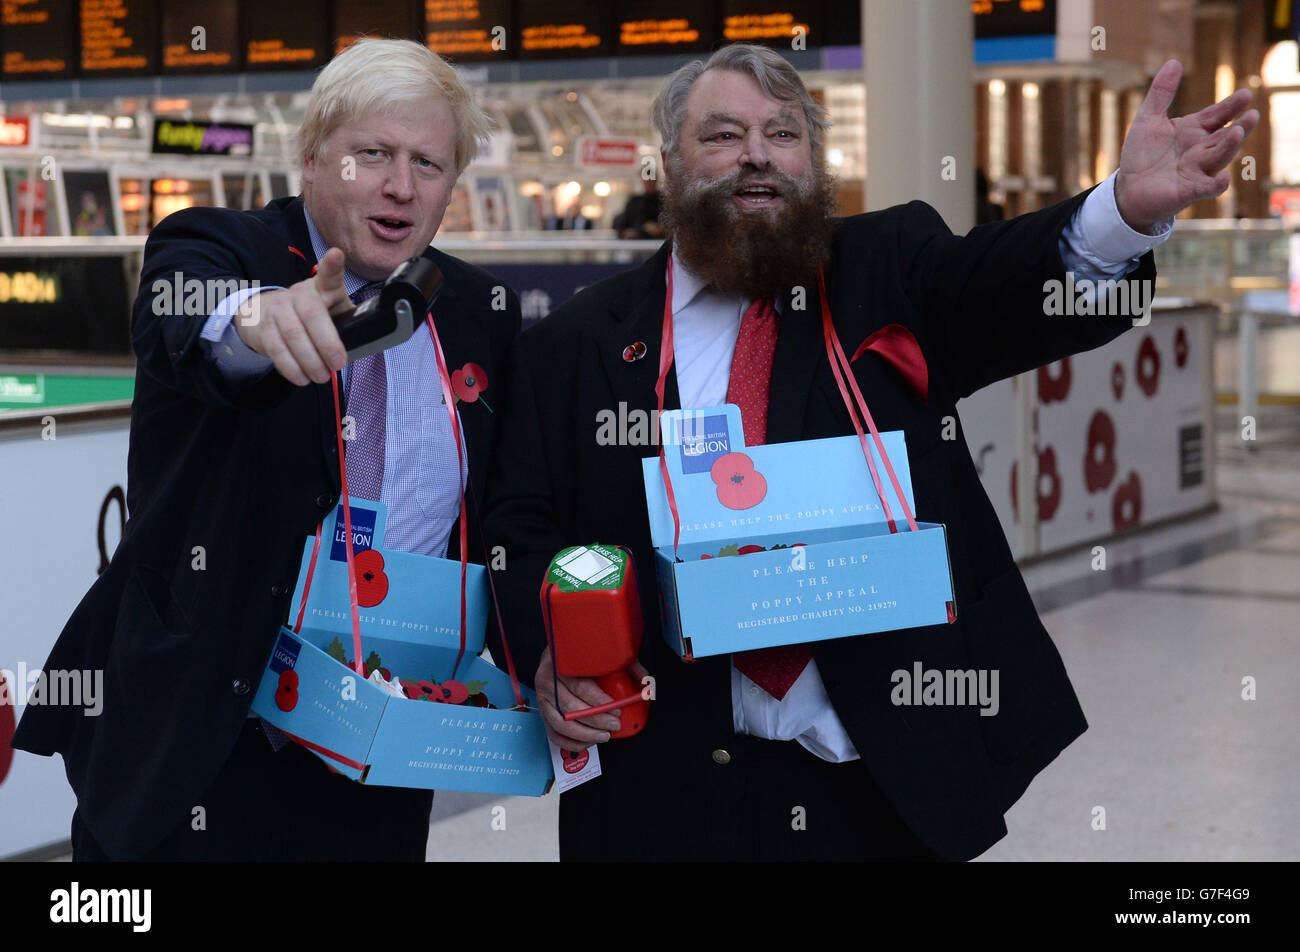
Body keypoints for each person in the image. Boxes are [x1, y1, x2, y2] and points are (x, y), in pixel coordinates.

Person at [481, 44, 1256, 861]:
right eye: (723, 135)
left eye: (783, 134)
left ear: (814, 161)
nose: (756, 155)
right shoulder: (575, 344)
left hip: (878, 781)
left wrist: (1122, 212)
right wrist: (550, 655)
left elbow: (1004, 284)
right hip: (664, 785)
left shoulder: (889, 269)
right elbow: (518, 531)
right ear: (668, 162)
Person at [12, 38, 521, 861]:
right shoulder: (218, 245)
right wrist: (256, 321)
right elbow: (191, 316)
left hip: (375, 746)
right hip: (199, 736)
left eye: (429, 163)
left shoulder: (473, 308)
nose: (401, 185)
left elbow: (504, 510)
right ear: (313, 157)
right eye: (373, 154)